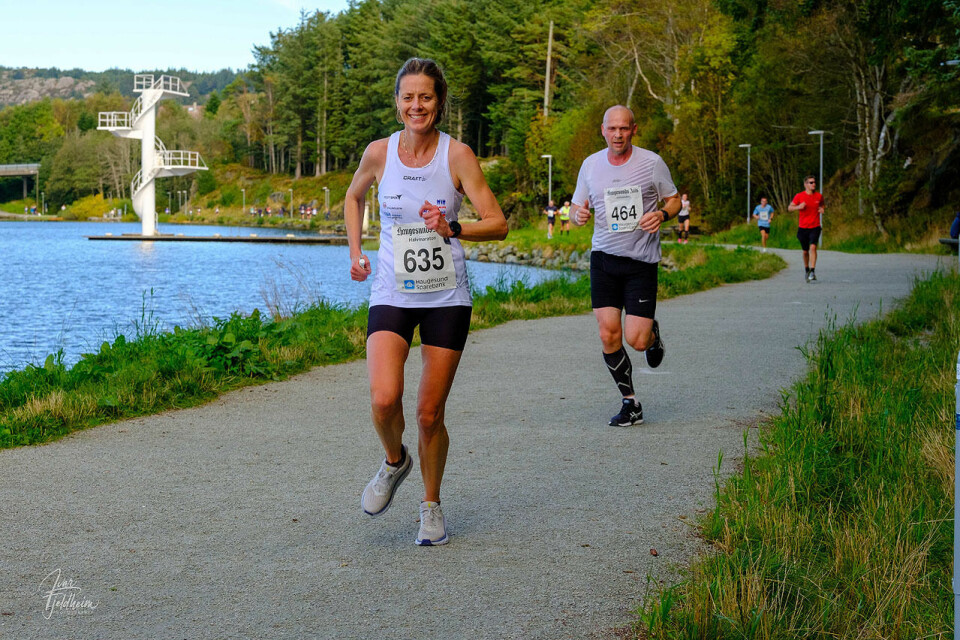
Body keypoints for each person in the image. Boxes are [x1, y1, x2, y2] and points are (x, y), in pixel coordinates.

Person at [346, 58, 508, 546]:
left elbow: (497, 222)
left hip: (446, 297)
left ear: (439, 104)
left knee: (428, 413)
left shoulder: (457, 156)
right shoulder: (379, 153)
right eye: (408, 97)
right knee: (383, 398)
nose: (417, 105)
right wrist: (355, 252)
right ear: (397, 103)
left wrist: (453, 227)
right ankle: (395, 462)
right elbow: (353, 198)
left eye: (427, 97)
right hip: (393, 290)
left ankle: (431, 505)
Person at [570, 105, 681, 427]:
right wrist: (577, 215)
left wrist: (662, 214)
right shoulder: (590, 165)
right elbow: (578, 205)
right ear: (603, 130)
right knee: (608, 335)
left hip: (640, 262)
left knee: (637, 341)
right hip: (603, 259)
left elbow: (674, 199)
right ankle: (630, 403)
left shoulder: (651, 163)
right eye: (612, 129)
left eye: (624, 129)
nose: (618, 134)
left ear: (634, 130)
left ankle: (652, 333)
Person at [787, 175, 824, 281]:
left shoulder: (819, 196)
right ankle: (806, 269)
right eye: (811, 182)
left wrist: (822, 209)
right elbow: (790, 208)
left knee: (813, 247)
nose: (814, 184)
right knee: (805, 251)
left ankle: (812, 271)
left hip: (815, 226)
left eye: (814, 182)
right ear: (805, 184)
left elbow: (822, 205)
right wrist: (798, 207)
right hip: (803, 228)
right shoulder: (799, 196)